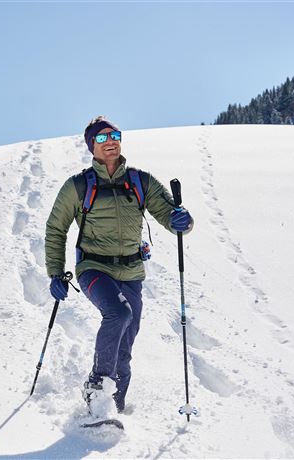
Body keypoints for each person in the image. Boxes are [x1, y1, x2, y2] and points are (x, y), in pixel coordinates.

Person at [44, 115, 194, 417]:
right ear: (91, 146)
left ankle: (113, 412)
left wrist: (183, 221)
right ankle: (96, 387)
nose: (110, 141)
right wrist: (56, 273)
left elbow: (171, 217)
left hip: (132, 273)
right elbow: (55, 230)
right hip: (93, 269)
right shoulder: (78, 186)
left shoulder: (140, 181)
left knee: (124, 349)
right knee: (118, 313)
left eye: (115, 135)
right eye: (102, 138)